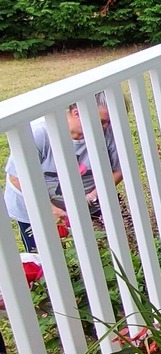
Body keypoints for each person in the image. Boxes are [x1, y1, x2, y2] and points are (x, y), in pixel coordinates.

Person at [4, 94, 122, 252]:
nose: (107, 127)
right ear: (77, 113)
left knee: (100, 252)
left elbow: (118, 170)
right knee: (47, 259)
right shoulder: (39, 133)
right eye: (101, 122)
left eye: (109, 122)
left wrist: (90, 198)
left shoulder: (107, 131)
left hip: (87, 206)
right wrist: (49, 209)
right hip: (36, 209)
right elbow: (17, 177)